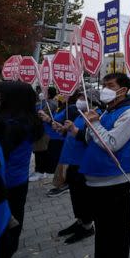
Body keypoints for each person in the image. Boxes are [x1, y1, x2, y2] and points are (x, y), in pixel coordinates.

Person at [78, 72, 130, 258]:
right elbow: (92, 139)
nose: (105, 90)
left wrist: (94, 124)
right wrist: (90, 125)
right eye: (104, 85)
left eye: (111, 85)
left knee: (115, 236)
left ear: (124, 89)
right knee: (103, 233)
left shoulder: (129, 112)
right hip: (97, 181)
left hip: (113, 183)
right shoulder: (107, 110)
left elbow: (112, 144)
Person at [0, 81, 43, 257]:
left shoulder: (14, 125)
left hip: (6, 182)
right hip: (18, 179)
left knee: (5, 226)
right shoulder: (27, 119)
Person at [55, 88, 102, 244]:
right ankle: (80, 221)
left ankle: (87, 226)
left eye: (83, 97)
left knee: (83, 196)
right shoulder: (80, 114)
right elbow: (73, 133)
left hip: (84, 163)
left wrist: (75, 131)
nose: (79, 99)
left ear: (92, 101)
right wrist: (63, 129)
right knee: (75, 195)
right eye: (80, 96)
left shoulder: (97, 116)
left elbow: (93, 139)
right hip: (73, 161)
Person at [38, 91, 81, 197]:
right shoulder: (62, 106)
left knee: (63, 162)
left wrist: (48, 119)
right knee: (60, 162)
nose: (60, 95)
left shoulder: (72, 108)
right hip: (55, 135)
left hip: (60, 138)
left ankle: (64, 184)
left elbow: (65, 125)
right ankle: (61, 182)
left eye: (64, 93)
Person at [30, 86, 58, 182]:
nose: (41, 94)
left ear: (49, 94)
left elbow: (41, 115)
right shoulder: (44, 102)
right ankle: (39, 170)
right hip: (40, 130)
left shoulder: (51, 104)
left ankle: (41, 172)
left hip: (45, 131)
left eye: (44, 92)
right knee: (38, 150)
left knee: (41, 151)